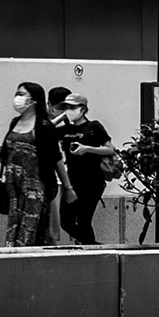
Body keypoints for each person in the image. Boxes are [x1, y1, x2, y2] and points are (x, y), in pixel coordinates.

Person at [48, 86, 115, 244]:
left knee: (84, 221)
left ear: (83, 109)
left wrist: (87, 149)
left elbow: (109, 149)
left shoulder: (93, 127)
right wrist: (62, 116)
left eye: (72, 107)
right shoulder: (65, 130)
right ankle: (93, 247)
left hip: (92, 182)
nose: (69, 110)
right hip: (72, 182)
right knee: (66, 222)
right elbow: (46, 130)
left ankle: (91, 250)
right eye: (66, 107)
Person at [0, 83, 52, 245]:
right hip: (13, 183)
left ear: (34, 99)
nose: (17, 98)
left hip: (34, 185)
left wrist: (67, 188)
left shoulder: (44, 125)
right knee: (15, 222)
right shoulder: (15, 122)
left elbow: (55, 158)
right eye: (17, 93)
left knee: (31, 228)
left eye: (22, 94)